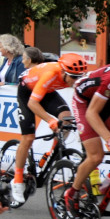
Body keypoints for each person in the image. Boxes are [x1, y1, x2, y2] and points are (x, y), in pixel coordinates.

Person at [63, 56, 110, 215]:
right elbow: (92, 113)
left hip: (109, 100)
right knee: (96, 156)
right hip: (85, 102)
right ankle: (72, 194)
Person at [10, 54, 87, 205]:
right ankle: (17, 180)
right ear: (64, 72)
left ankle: (50, 152)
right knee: (28, 138)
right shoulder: (50, 74)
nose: (76, 81)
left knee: (66, 118)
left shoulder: (72, 77)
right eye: (73, 77)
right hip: (27, 93)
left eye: (79, 77)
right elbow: (33, 104)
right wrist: (51, 121)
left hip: (47, 91)